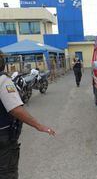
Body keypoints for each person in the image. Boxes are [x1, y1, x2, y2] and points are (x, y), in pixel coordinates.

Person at [0, 50, 55, 179]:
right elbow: (15, 109)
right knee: (7, 174)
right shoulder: (3, 81)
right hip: (3, 139)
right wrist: (39, 126)